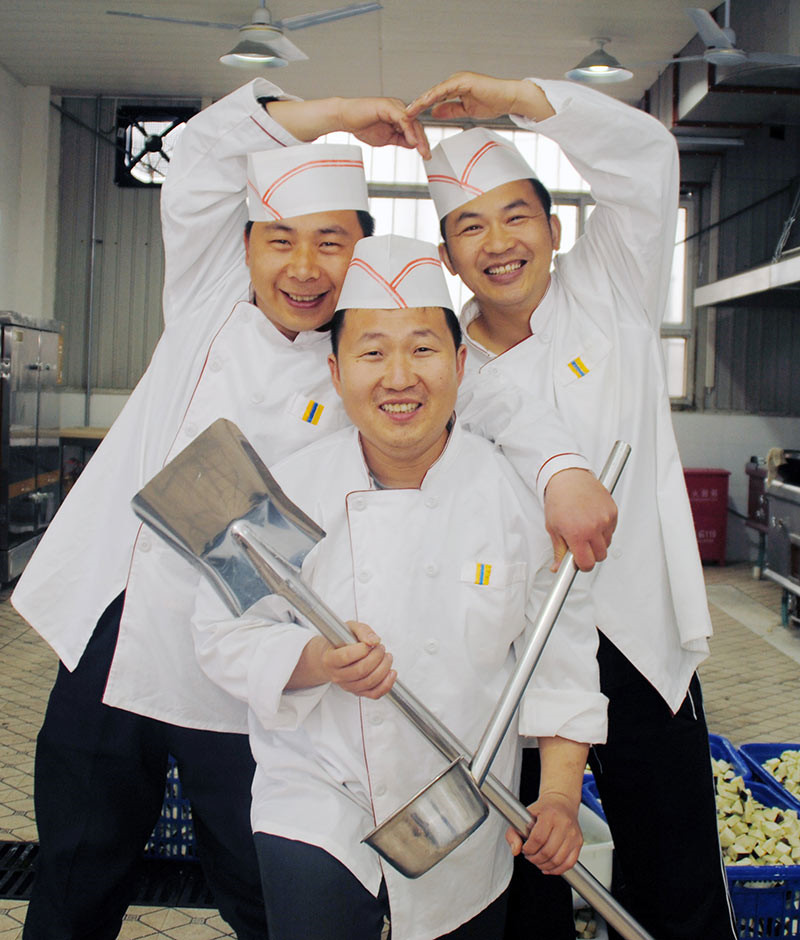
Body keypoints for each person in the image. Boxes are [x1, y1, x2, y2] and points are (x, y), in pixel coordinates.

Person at [12, 78, 614, 939]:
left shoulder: (364, 355)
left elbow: (497, 400)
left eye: (331, 243)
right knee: (76, 867)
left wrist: (562, 472)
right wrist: (334, 116)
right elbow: (198, 158)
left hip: (250, 661)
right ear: (245, 248)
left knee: (255, 888)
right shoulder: (208, 303)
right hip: (121, 620)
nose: (303, 268)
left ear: (358, 256)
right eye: (280, 240)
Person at [189, 234, 608, 940]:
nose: (399, 377)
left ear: (460, 363)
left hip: (463, 800)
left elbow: (559, 662)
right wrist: (317, 661)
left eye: (422, 349)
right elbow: (222, 632)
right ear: (335, 370)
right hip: (317, 789)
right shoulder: (286, 492)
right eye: (373, 353)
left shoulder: (517, 504)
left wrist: (562, 798)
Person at [409, 71, 737, 940]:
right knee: (527, 885)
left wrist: (519, 97)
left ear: (554, 230)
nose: (498, 243)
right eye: (470, 227)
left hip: (639, 639)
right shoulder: (447, 367)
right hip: (515, 655)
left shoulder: (612, 289)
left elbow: (647, 155)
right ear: (447, 255)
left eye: (516, 216)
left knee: (676, 878)